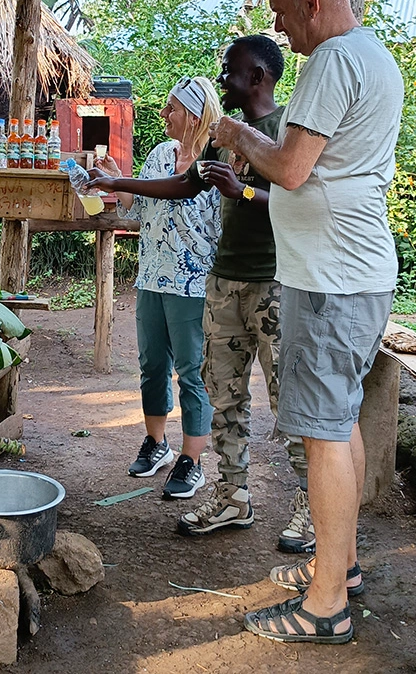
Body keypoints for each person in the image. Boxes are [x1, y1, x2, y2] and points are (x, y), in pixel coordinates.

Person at [210, 0, 403, 644]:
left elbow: (290, 168)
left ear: (313, 2)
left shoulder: (333, 61)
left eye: (283, 12)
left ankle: (325, 606)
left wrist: (234, 134)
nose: (280, 27)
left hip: (331, 281)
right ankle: (339, 565)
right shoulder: (373, 56)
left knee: (321, 437)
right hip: (351, 274)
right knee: (337, 424)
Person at [88, 37, 314, 553]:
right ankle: (233, 493)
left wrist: (245, 191)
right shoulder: (221, 137)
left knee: (290, 401)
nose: (222, 80)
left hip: (275, 284)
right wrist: (123, 180)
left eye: (230, 71)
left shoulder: (285, 133)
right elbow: (184, 186)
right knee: (224, 395)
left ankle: (311, 508)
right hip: (222, 282)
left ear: (258, 76)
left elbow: (301, 199)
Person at [87, 77, 221, 500]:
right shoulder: (163, 154)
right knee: (151, 366)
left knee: (192, 372)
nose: (163, 115)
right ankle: (157, 443)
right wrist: (118, 180)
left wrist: (123, 184)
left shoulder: (218, 162)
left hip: (194, 284)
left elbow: (219, 227)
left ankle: (192, 461)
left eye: (172, 108)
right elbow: (139, 208)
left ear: (195, 115)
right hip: (151, 278)